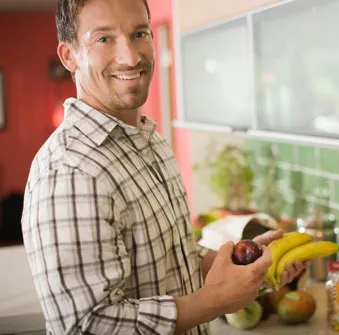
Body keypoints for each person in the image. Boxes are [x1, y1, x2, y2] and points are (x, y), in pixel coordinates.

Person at [21, 0, 306, 334]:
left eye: (139, 33)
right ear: (69, 56)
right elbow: (88, 325)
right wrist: (216, 300)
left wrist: (243, 264)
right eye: (103, 39)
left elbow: (173, 262)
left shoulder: (150, 142)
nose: (130, 57)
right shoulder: (69, 171)